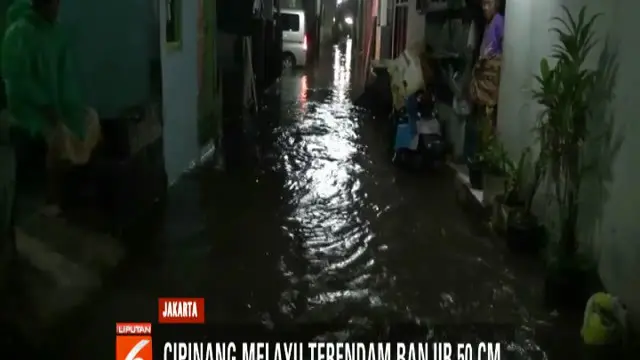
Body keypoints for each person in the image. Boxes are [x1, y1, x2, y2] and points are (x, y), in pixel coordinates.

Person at [2, 0, 101, 217]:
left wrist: (72, 107)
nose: (56, 8)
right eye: (52, 3)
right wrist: (47, 108)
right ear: (38, 4)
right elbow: (18, 82)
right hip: (28, 108)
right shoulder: (18, 33)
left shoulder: (57, 33)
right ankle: (53, 196)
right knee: (57, 134)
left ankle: (79, 181)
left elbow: (66, 79)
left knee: (90, 118)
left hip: (56, 104)